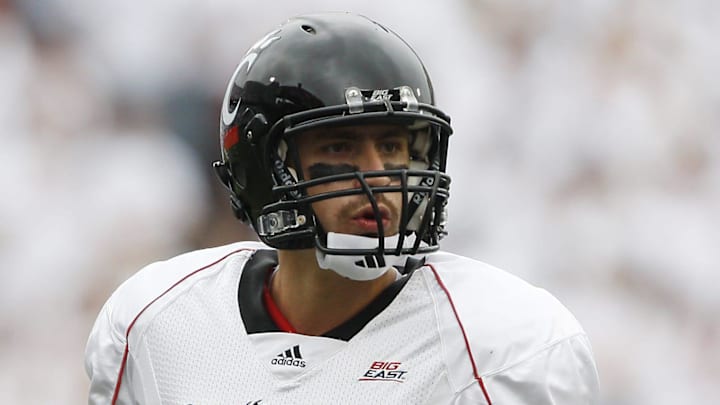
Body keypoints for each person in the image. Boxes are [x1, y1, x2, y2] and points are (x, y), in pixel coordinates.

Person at [85, 12, 600, 404]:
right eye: (341, 147)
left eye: (395, 147)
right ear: (265, 169)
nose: (379, 174)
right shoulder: (157, 322)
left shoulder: (500, 345)